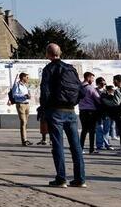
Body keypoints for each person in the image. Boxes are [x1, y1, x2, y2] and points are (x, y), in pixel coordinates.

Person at [40, 43, 86, 188]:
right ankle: (80, 178)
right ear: (60, 53)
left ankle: (61, 178)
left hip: (55, 110)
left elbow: (45, 91)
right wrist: (73, 102)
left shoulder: (49, 69)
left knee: (58, 145)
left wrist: (44, 110)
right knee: (76, 146)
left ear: (48, 54)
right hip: (71, 111)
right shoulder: (70, 68)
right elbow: (81, 91)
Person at [77, 72, 102, 154]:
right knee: (92, 130)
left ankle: (80, 148)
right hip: (91, 111)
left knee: (84, 130)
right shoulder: (90, 88)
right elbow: (98, 99)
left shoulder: (79, 87)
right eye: (92, 78)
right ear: (88, 78)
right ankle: (91, 149)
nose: (93, 80)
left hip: (82, 111)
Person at [7, 72, 32, 146]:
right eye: (27, 77)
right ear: (23, 77)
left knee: (25, 123)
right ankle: (24, 140)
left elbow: (27, 95)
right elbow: (15, 95)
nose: (28, 79)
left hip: (27, 104)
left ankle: (26, 139)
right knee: (23, 122)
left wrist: (28, 96)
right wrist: (24, 96)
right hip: (21, 105)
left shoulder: (25, 86)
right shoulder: (17, 85)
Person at [94, 77, 114, 151]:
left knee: (106, 130)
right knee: (99, 129)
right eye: (101, 83)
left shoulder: (106, 91)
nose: (103, 85)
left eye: (104, 83)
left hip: (106, 113)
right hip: (97, 113)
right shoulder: (94, 91)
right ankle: (100, 145)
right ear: (98, 83)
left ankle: (106, 144)